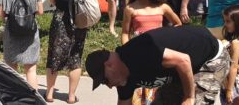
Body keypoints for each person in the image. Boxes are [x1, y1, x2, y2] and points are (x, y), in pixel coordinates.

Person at [85, 25, 225, 105]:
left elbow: (183, 60)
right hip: (180, 72)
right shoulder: (122, 78)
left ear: (109, 65)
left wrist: (189, 97)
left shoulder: (140, 53)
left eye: (105, 80)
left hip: (210, 59)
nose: (109, 86)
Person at [120, 0, 181, 104]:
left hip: (159, 53)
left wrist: (169, 39)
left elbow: (178, 24)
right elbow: (125, 33)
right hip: (138, 54)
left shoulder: (162, 7)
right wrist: (127, 50)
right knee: (139, 89)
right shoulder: (130, 9)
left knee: (158, 90)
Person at [45, 0, 88, 104]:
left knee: (53, 56)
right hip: (77, 21)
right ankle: (71, 96)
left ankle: (49, 94)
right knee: (75, 56)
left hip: (59, 20)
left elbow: (52, 2)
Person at [0, 0, 43, 89]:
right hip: (30, 33)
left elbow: (1, 15)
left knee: (11, 69)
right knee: (31, 70)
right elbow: (40, 11)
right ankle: (32, 98)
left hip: (12, 33)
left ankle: (14, 97)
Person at [219, 6, 239, 105]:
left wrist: (229, 90)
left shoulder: (235, 43)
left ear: (238, 23)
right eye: (225, 21)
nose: (225, 24)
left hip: (233, 82)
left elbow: (233, 67)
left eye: (228, 21)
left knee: (232, 101)